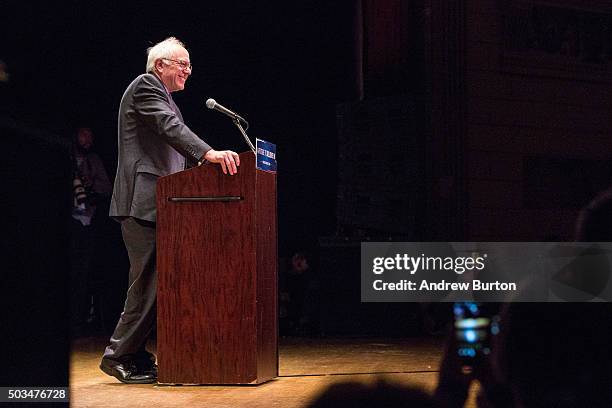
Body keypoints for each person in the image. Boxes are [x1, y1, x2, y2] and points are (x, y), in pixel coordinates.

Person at [100, 37, 240, 384]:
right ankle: (117, 355)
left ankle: (135, 353)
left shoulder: (165, 99)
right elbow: (170, 129)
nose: (188, 70)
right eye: (182, 63)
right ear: (160, 64)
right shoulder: (147, 86)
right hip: (141, 202)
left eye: (189, 65)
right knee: (147, 285)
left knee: (159, 284)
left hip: (162, 203)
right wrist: (208, 153)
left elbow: (172, 145)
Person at [69, 127, 112, 334]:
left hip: (88, 221)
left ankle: (80, 321)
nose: (87, 140)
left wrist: (90, 184)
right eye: (84, 135)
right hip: (69, 221)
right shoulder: (66, 155)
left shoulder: (93, 160)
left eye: (90, 137)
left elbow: (106, 187)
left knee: (84, 273)